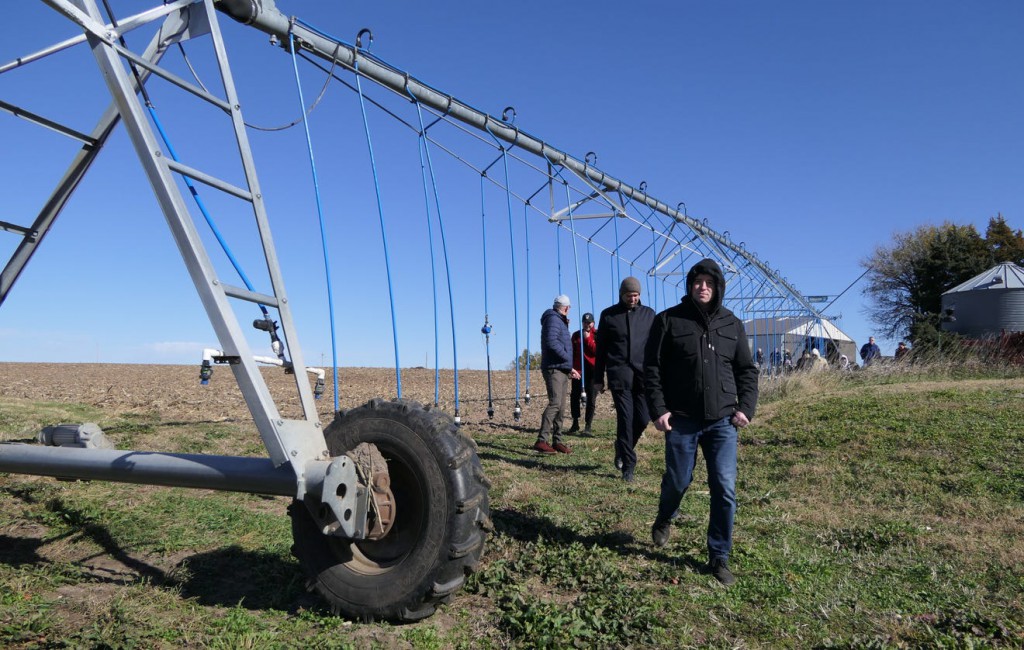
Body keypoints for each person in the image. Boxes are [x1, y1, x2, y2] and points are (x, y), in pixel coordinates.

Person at [644, 258, 759, 587]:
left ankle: (719, 555)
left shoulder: (731, 324)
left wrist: (745, 408)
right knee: (678, 481)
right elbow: (652, 369)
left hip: (722, 421)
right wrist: (659, 409)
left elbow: (746, 371)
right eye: (698, 282)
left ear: (718, 287)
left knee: (724, 487)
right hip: (681, 419)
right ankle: (665, 517)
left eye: (709, 282)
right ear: (690, 286)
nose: (703, 287)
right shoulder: (668, 321)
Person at [594, 277, 656, 482]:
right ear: (622, 295)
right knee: (625, 418)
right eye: (629, 296)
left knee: (642, 418)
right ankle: (628, 465)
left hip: (643, 375)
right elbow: (601, 350)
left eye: (636, 296)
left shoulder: (649, 315)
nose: (633, 299)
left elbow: (656, 348)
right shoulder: (609, 315)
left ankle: (622, 446)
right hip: (619, 374)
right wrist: (598, 378)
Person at [536, 295, 579, 454]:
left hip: (561, 368)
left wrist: (569, 368)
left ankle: (557, 441)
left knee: (561, 406)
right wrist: (567, 358)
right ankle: (542, 440)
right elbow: (552, 342)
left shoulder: (559, 321)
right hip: (553, 368)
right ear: (566, 308)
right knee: (555, 403)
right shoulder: (553, 320)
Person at [569, 312, 598, 434]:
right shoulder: (576, 335)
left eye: (589, 322)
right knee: (574, 396)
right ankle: (575, 422)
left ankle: (588, 425)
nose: (587, 324)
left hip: (592, 371)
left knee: (591, 398)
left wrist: (587, 339)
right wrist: (570, 368)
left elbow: (596, 351)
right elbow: (571, 352)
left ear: (593, 323)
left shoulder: (597, 335)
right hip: (578, 370)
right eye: (585, 322)